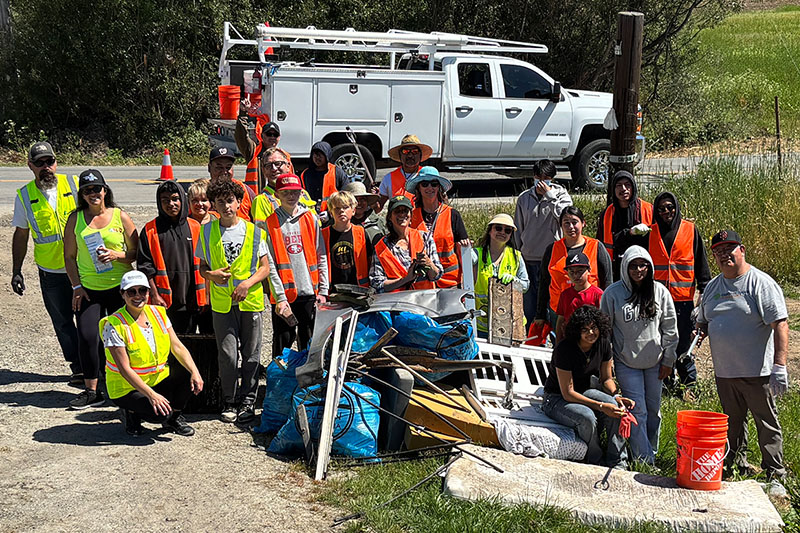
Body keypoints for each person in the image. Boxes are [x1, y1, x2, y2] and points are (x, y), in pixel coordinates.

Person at [696, 229, 788, 489]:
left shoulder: (760, 283)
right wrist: (700, 330)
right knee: (732, 424)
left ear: (742, 250)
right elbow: (704, 320)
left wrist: (779, 366)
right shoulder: (713, 287)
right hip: (725, 373)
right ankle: (736, 464)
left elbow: (780, 324)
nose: (724, 255)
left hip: (756, 372)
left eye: (730, 249)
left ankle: (775, 474)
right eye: (719, 251)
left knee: (766, 424)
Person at [196, 178, 270, 424]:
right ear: (214, 205)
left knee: (251, 355)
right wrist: (210, 275)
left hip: (250, 302)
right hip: (222, 303)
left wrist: (247, 284)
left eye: (230, 201)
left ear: (239, 202)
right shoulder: (206, 232)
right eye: (221, 202)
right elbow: (203, 265)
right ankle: (229, 400)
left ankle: (248, 401)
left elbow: (265, 268)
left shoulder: (254, 232)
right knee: (227, 354)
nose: (226, 206)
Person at [64, 170, 138, 410]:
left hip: (120, 289)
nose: (93, 194)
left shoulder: (120, 216)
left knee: (122, 338)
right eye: (87, 190)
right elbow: (69, 256)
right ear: (82, 195)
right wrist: (76, 286)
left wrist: (117, 255)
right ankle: (91, 390)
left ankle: (126, 386)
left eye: (97, 188)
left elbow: (136, 253)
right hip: (89, 289)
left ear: (105, 190)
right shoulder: (75, 219)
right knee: (87, 337)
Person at [101, 270, 204, 436]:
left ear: (148, 292)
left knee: (188, 373)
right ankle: (131, 412)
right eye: (131, 291)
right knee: (159, 415)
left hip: (155, 378)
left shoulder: (158, 313)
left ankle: (173, 419)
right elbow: (124, 370)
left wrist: (195, 372)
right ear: (122, 294)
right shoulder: (114, 325)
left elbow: (177, 346)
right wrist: (152, 395)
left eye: (142, 290)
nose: (137, 296)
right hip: (126, 387)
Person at [600, 245, 678, 464]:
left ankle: (651, 449)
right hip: (627, 362)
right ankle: (644, 461)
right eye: (633, 265)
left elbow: (670, 328)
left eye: (643, 265)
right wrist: (609, 362)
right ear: (625, 267)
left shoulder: (660, 291)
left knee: (654, 411)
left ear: (649, 267)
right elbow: (605, 331)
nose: (638, 270)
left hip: (656, 362)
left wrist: (669, 360)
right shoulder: (613, 294)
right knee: (638, 411)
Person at [11, 141, 81, 383]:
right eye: (39, 163)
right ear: (30, 165)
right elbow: (21, 234)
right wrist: (17, 270)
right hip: (51, 271)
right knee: (62, 321)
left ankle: (98, 367)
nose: (46, 167)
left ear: (56, 162)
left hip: (82, 267)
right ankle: (78, 367)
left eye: (49, 162)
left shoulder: (73, 185)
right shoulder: (24, 195)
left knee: (88, 318)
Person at [542, 305, 633, 468]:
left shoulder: (603, 343)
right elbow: (568, 393)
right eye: (585, 329)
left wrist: (616, 396)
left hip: (585, 391)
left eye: (594, 328)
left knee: (615, 408)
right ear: (577, 331)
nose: (591, 333)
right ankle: (594, 460)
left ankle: (617, 461)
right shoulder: (564, 349)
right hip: (556, 398)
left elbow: (606, 378)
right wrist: (601, 406)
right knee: (587, 418)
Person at [648, 192, 711, 392]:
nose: (666, 212)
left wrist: (704, 289)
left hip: (683, 300)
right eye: (661, 209)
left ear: (676, 207)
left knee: (684, 343)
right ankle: (665, 385)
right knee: (661, 342)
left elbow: (701, 262)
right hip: (657, 299)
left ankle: (689, 385)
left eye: (670, 207)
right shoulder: (650, 232)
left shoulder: (690, 230)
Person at [265, 174, 329, 359]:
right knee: (282, 343)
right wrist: (279, 297)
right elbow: (270, 264)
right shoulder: (270, 222)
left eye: (294, 192)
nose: (291, 196)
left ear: (301, 193)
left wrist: (323, 291)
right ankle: (280, 383)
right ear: (277, 194)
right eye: (285, 193)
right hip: (285, 295)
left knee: (309, 344)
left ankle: (308, 385)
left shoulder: (310, 218)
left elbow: (321, 255)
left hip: (310, 292)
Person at [137, 180, 207, 334]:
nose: (171, 204)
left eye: (175, 199)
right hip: (164, 302)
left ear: (182, 199)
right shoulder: (150, 230)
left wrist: (205, 296)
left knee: (194, 344)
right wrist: (154, 295)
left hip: (193, 300)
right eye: (165, 200)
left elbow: (205, 264)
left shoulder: (195, 227)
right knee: (167, 345)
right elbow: (144, 268)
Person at [514, 159, 573, 326]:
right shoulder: (524, 198)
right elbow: (518, 227)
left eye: (546, 178)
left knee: (552, 305)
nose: (542, 182)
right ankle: (533, 339)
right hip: (528, 259)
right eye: (538, 177)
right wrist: (518, 253)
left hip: (553, 260)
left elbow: (565, 217)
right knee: (530, 306)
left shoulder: (561, 196)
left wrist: (550, 196)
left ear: (552, 179)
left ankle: (554, 340)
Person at [537, 206, 612, 329]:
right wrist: (540, 314)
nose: (571, 227)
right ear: (561, 226)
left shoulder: (596, 247)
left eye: (574, 222)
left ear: (583, 223)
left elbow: (607, 281)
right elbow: (544, 282)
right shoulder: (552, 249)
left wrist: (607, 312)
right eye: (566, 223)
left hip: (590, 310)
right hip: (559, 312)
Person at [407, 166, 470, 288]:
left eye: (434, 184)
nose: (430, 187)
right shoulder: (411, 216)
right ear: (418, 188)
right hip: (422, 284)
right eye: (425, 184)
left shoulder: (452, 214)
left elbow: (462, 250)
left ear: (439, 188)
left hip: (450, 282)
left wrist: (466, 283)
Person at [471, 214, 529, 337]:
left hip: (509, 323)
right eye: (498, 228)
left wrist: (515, 281)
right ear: (490, 230)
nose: (502, 232)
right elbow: (463, 263)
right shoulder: (477, 254)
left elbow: (525, 285)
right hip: (483, 324)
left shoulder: (516, 256)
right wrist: (465, 250)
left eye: (507, 230)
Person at [371, 196, 442, 292]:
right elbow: (377, 285)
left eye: (405, 211)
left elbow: (436, 275)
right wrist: (405, 280)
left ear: (411, 215)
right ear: (390, 217)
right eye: (397, 211)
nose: (402, 214)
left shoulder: (425, 238)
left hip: (425, 302)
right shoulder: (381, 247)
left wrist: (429, 264)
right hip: (396, 304)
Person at [596, 170, 653, 281]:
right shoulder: (608, 213)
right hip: (616, 267)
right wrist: (630, 232)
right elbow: (601, 242)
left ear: (633, 187)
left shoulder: (648, 209)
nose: (623, 189)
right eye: (619, 185)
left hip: (642, 267)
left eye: (627, 185)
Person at [251, 146, 315, 230]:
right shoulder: (261, 201)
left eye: (277, 164)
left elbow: (316, 224)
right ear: (263, 170)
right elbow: (263, 234)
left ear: (288, 166)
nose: (274, 169)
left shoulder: (303, 193)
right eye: (268, 165)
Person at [322, 191, 373, 290]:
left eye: (345, 207)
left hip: (359, 289)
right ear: (331, 213)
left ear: (353, 211)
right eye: (337, 208)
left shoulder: (361, 232)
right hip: (333, 290)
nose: (341, 211)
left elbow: (370, 260)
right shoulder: (323, 235)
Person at [235, 110, 293, 192]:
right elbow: (241, 137)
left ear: (279, 137)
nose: (272, 137)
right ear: (262, 136)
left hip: (280, 199)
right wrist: (242, 114)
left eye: (275, 135)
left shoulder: (285, 156)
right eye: (269, 134)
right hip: (257, 199)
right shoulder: (253, 151)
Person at [554, 252, 605, 343]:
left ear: (588, 271)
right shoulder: (565, 295)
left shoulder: (598, 294)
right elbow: (561, 319)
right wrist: (558, 341)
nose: (576, 276)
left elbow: (603, 322)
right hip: (570, 341)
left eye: (580, 271)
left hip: (591, 341)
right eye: (572, 272)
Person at [377, 135, 432, 210]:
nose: (410, 155)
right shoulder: (388, 178)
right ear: (400, 155)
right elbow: (378, 208)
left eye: (414, 151)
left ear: (420, 154)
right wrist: (374, 199)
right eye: (405, 151)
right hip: (398, 220)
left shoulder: (428, 176)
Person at [207, 147, 255, 222]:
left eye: (228, 167)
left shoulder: (245, 190)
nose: (224, 171)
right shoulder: (201, 192)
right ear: (209, 168)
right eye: (219, 167)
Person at [300, 141, 350, 210]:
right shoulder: (306, 174)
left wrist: (330, 213)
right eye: (315, 155)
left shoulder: (337, 172)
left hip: (332, 212)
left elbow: (346, 194)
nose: (317, 158)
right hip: (311, 212)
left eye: (320, 155)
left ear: (327, 156)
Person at [345, 181, 386, 246]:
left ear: (367, 202)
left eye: (362, 199)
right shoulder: (339, 224)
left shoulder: (380, 222)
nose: (359, 203)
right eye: (355, 199)